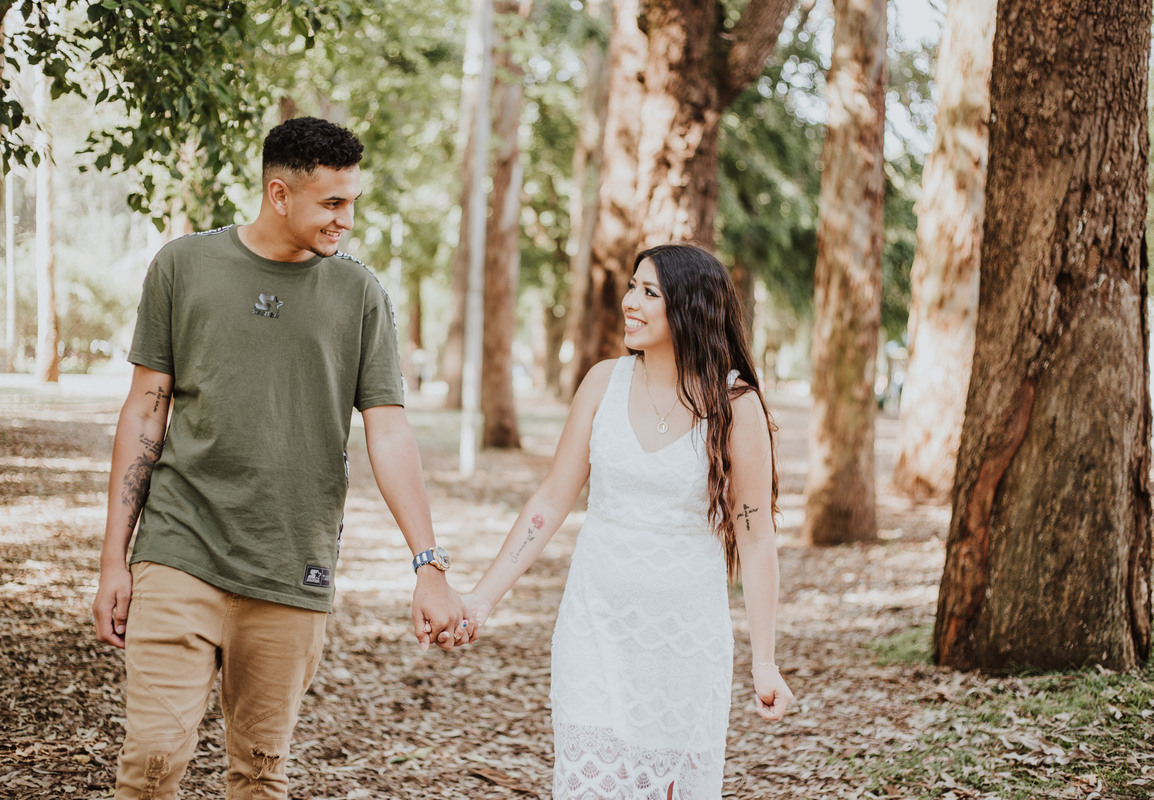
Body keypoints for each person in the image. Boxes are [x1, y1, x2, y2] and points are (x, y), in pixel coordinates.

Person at [91, 116, 472, 800]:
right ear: (278, 194)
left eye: (352, 201)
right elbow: (145, 409)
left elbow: (389, 433)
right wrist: (113, 559)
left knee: (260, 776)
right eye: (332, 203)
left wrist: (429, 564)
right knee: (150, 763)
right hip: (180, 547)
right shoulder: (183, 267)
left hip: (289, 565)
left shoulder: (359, 295)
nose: (346, 220)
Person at [462, 243, 792, 799]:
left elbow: (756, 541)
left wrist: (765, 662)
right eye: (632, 287)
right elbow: (549, 500)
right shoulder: (602, 383)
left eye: (648, 292)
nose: (628, 303)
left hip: (684, 642)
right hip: (594, 629)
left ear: (689, 308)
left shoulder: (737, 407)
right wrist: (482, 599)